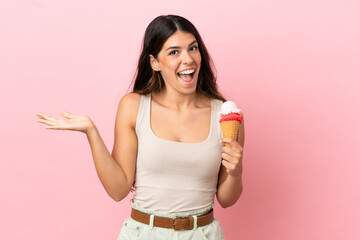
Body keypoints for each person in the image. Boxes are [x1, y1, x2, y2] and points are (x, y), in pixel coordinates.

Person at [35, 15, 244, 240]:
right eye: (174, 52)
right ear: (154, 62)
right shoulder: (134, 106)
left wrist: (236, 170)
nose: (188, 59)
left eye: (193, 48)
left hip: (203, 234)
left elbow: (227, 200)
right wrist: (91, 132)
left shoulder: (225, 115)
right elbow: (118, 190)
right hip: (144, 233)